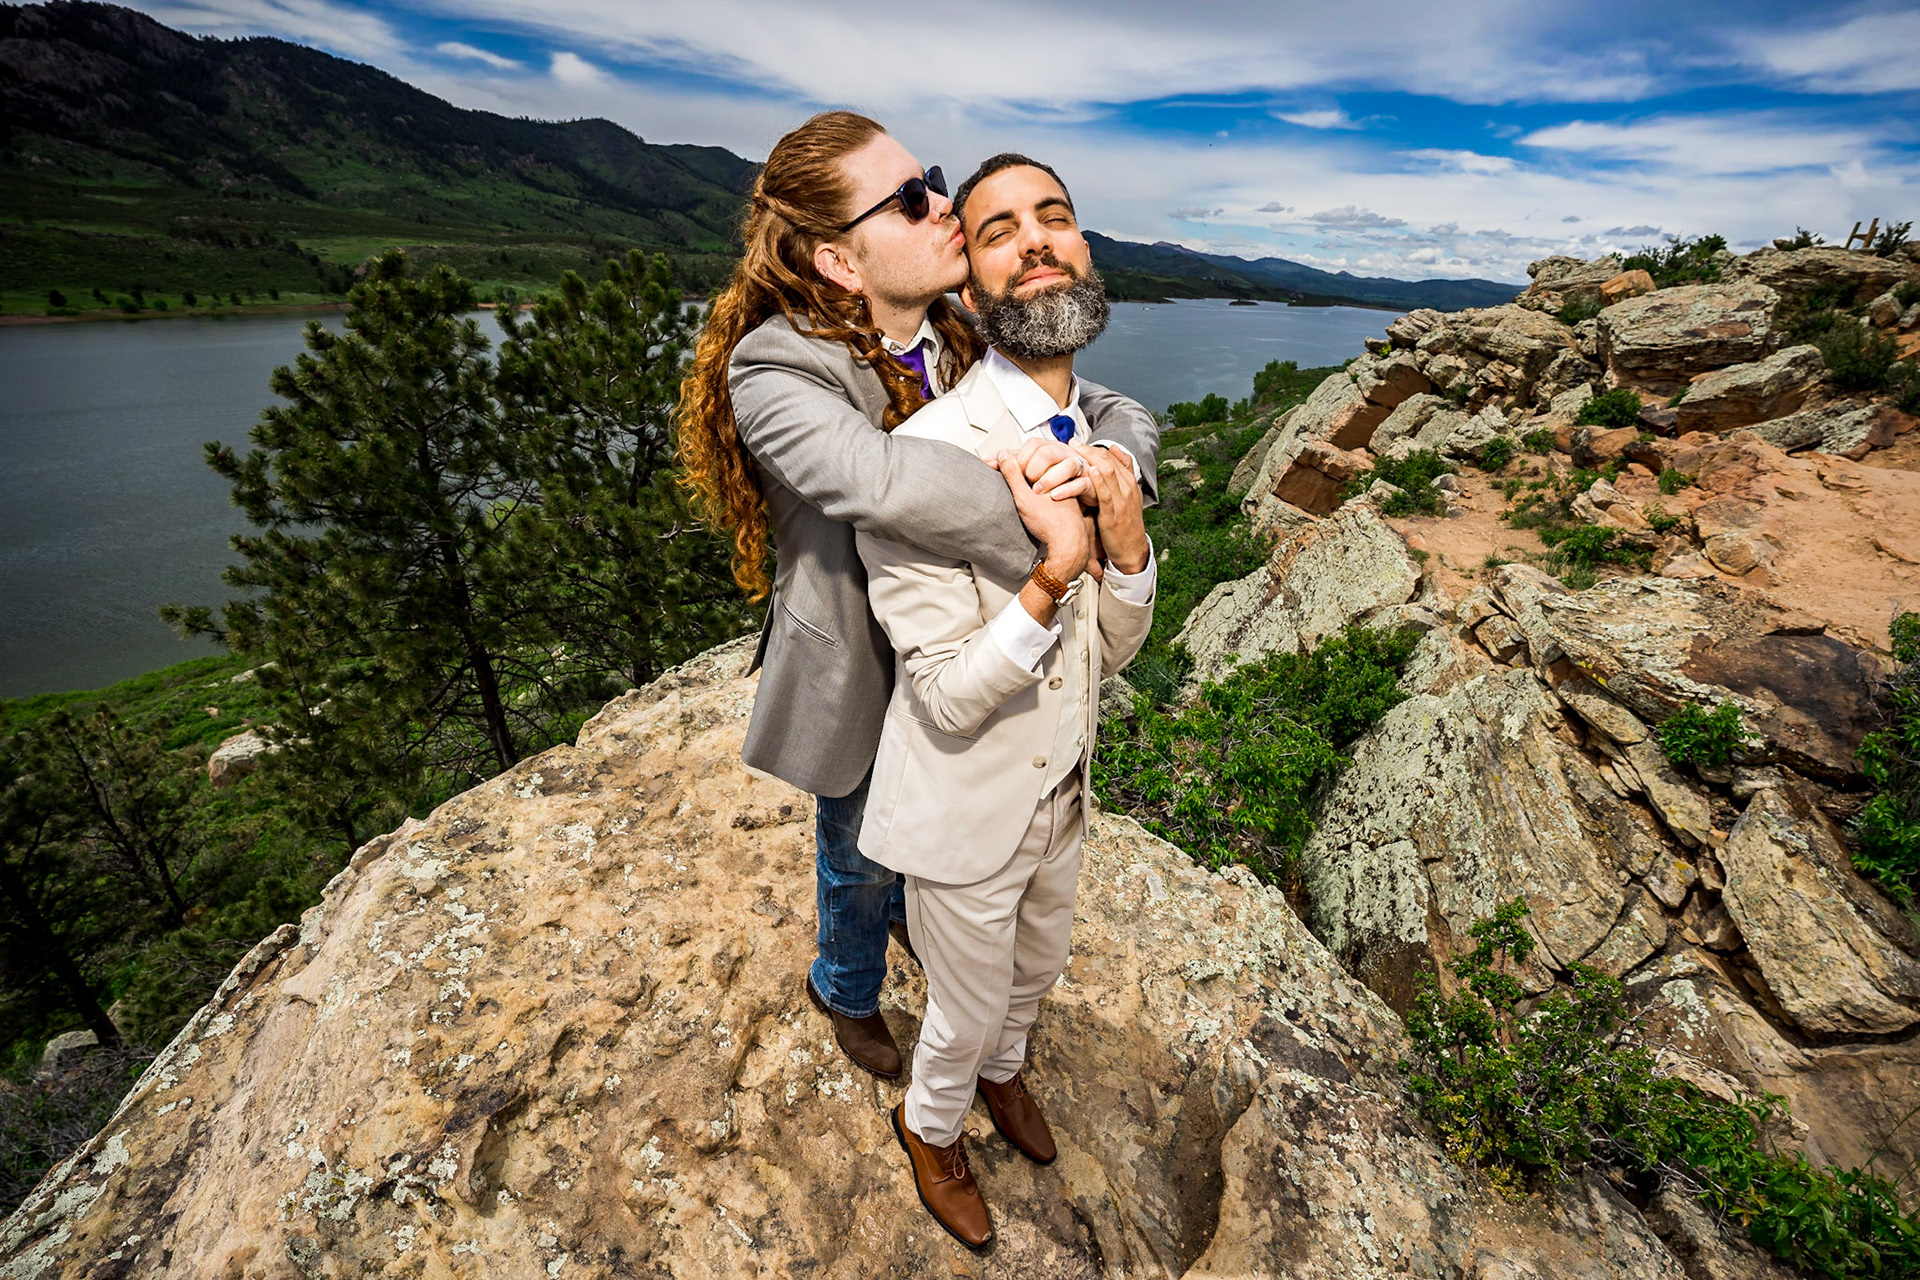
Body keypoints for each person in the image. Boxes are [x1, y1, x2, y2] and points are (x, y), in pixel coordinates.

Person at [676, 113, 1159, 1081]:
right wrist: (1058, 517)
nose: (943, 207)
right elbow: (880, 482)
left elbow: (1106, 407)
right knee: (857, 846)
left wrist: (1112, 467)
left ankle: (913, 916)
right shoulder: (774, 367)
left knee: (937, 824)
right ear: (842, 262)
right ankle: (844, 982)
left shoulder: (952, 328)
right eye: (910, 199)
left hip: (960, 638)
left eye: (931, 181)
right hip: (862, 654)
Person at [855, 153, 1154, 1250]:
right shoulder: (920, 458)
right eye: (997, 230)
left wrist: (1125, 549)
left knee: (1036, 969)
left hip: (1066, 791)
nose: (1036, 239)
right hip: (966, 807)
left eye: (1057, 218)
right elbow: (939, 695)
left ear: (1083, 253)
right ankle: (931, 1124)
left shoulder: (1106, 442)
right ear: (967, 287)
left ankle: (1006, 1073)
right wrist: (1049, 574)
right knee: (963, 1002)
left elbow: (1109, 655)